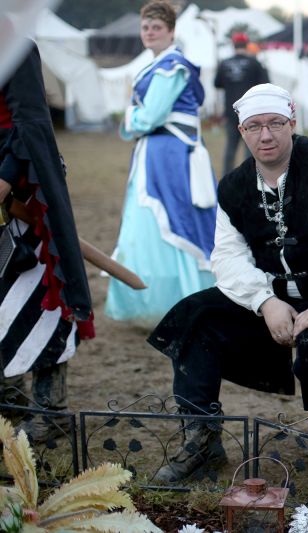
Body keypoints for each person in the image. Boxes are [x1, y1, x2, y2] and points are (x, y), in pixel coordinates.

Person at [147, 83, 308, 504]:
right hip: (276, 299)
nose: (266, 135)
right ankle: (201, 440)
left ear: (292, 122)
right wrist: (265, 302)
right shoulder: (234, 187)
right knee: (194, 317)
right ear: (241, 131)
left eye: (275, 123)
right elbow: (227, 258)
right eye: (254, 126)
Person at [0, 41, 94, 442]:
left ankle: (49, 412)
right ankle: (9, 402)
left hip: (24, 184)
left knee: (39, 297)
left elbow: (30, 122)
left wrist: (5, 181)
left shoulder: (15, 45)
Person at [105, 0, 217, 327]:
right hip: (161, 152)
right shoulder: (162, 65)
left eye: (157, 27)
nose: (150, 32)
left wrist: (130, 118)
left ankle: (184, 300)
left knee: (173, 219)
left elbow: (151, 116)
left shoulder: (172, 66)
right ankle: (160, 301)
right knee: (154, 223)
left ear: (171, 31)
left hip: (169, 156)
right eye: (146, 27)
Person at [214, 32, 269, 175]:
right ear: (247, 44)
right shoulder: (254, 63)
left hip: (231, 111)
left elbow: (217, 83)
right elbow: (266, 84)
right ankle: (249, 176)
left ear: (233, 45)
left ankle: (227, 176)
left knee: (230, 146)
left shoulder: (224, 63)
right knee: (250, 146)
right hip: (250, 111)